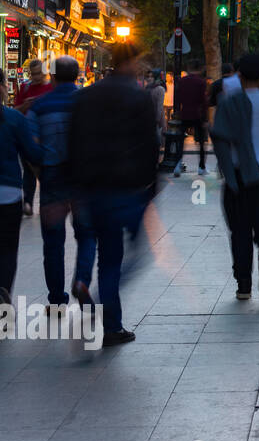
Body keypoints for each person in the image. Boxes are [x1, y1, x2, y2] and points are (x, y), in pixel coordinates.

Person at [67, 41, 158, 346]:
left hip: (92, 189)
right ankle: (108, 318)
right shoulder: (139, 98)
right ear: (131, 62)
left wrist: (74, 188)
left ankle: (110, 320)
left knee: (107, 254)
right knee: (130, 256)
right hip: (126, 189)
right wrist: (150, 186)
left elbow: (74, 143)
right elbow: (150, 145)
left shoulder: (86, 96)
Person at [211, 52, 259, 299]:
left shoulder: (230, 102)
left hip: (237, 173)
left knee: (240, 230)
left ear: (239, 75)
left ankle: (243, 284)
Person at [29, 57, 93, 308]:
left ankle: (56, 300)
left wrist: (41, 172)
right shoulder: (88, 104)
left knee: (53, 243)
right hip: (83, 178)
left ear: (52, 78)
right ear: (77, 76)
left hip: (52, 177)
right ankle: (82, 281)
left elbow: (32, 148)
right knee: (87, 235)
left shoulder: (40, 106)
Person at [0, 77, 43, 309]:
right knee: (7, 249)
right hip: (8, 194)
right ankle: (3, 296)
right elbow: (33, 155)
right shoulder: (14, 119)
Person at [16, 58, 54, 215]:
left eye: (39, 73)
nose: (36, 77)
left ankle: (47, 203)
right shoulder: (25, 88)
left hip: (46, 135)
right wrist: (25, 105)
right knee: (29, 171)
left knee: (46, 171)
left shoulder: (51, 88)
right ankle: (28, 203)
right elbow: (16, 110)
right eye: (33, 74)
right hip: (28, 135)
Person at [173, 60, 210, 177]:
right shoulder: (201, 82)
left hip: (185, 113)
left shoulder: (182, 81)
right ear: (199, 69)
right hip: (197, 114)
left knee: (180, 141)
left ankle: (177, 165)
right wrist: (205, 118)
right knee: (201, 143)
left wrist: (178, 112)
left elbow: (178, 98)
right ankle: (201, 167)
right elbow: (203, 102)